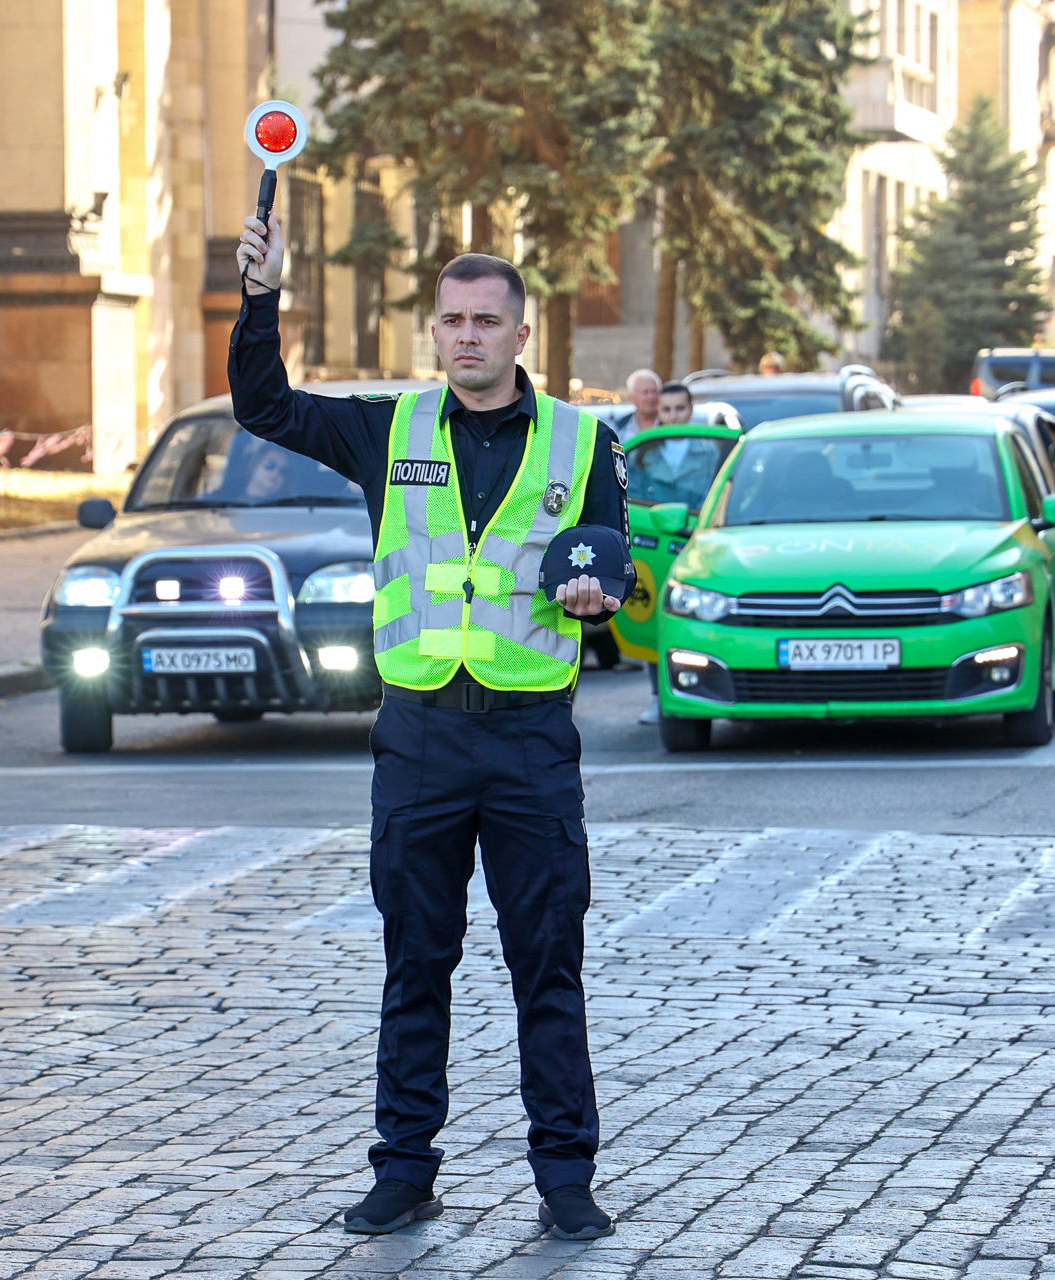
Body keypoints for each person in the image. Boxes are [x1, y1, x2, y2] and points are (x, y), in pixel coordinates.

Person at [231, 211, 626, 1242]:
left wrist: (598, 601)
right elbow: (262, 404)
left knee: (547, 960)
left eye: (486, 321)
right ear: (435, 332)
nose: (467, 337)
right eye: (451, 320)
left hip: (530, 739)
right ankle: (404, 1167)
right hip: (418, 740)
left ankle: (565, 1174)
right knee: (417, 959)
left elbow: (604, 560)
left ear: (521, 334)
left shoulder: (583, 441)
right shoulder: (387, 430)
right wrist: (261, 295)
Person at [632, 381, 719, 726]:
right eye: (666, 410)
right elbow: (635, 498)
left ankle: (702, 688)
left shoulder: (708, 450)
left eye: (679, 409)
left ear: (690, 410)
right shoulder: (645, 452)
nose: (673, 416)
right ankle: (657, 695)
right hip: (658, 544)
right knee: (655, 618)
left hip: (698, 542)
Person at [618, 368, 660, 444]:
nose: (651, 397)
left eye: (654, 391)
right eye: (645, 392)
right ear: (631, 398)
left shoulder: (670, 424)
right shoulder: (620, 427)